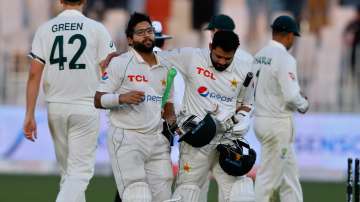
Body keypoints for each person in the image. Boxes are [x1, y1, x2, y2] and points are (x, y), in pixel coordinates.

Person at [23, 0, 116, 202]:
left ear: (60, 1)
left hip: (55, 106)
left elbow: (33, 74)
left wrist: (29, 114)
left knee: (68, 175)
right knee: (79, 174)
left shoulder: (45, 29)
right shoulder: (97, 29)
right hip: (85, 105)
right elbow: (110, 70)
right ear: (84, 1)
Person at [158, 30, 255, 202]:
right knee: (187, 192)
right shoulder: (192, 57)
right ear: (210, 46)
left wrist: (238, 121)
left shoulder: (245, 70)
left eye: (228, 58)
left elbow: (247, 104)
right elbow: (156, 60)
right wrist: (168, 104)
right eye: (218, 56)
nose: (222, 62)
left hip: (226, 143)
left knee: (241, 193)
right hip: (196, 140)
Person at [94, 12, 175, 202]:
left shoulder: (166, 65)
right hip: (127, 137)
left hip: (157, 139)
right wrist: (122, 98)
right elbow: (98, 99)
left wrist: (173, 120)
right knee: (137, 195)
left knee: (163, 196)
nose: (147, 35)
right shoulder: (120, 63)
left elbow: (168, 102)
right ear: (130, 40)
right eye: (140, 33)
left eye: (149, 31)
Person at [252, 15, 309, 202]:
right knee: (268, 177)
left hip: (261, 119)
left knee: (289, 175)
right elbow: (292, 96)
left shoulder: (259, 55)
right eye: (294, 36)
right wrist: (304, 104)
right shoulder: (285, 58)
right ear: (289, 35)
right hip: (277, 124)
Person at [202, 14, 255, 202]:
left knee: (198, 184)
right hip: (231, 130)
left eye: (212, 31)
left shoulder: (214, 57)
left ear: (218, 31)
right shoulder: (249, 58)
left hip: (212, 130)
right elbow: (248, 103)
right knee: (230, 188)